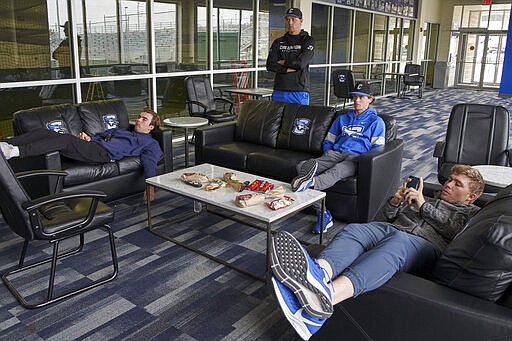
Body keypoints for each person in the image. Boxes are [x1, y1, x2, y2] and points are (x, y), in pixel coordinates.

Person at [270, 164, 485, 340]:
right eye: (450, 179)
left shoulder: (471, 214)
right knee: (357, 229)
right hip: (391, 230)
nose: (448, 184)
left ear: (471, 197)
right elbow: (380, 220)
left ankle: (328, 296)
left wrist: (422, 206)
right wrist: (395, 201)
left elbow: (452, 230)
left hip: (424, 245)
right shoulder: (428, 198)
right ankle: (319, 274)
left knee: (398, 241)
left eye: (458, 184)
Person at [0, 108, 161, 202]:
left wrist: (150, 186)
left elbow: (149, 162)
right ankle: (7, 143)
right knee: (43, 132)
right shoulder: (121, 131)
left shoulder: (150, 143)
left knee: (66, 140)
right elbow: (103, 134)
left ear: (151, 127)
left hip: (102, 154)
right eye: (139, 117)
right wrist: (90, 138)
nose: (139, 120)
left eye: (144, 119)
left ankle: (14, 152)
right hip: (92, 146)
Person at [291, 81, 386, 233]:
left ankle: (309, 184)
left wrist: (364, 162)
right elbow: (329, 140)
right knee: (302, 166)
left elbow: (378, 150)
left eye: (361, 98)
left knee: (336, 171)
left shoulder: (377, 122)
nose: (357, 101)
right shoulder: (342, 118)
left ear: (370, 99)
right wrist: (328, 153)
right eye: (355, 97)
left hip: (355, 158)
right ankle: (323, 211)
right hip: (335, 153)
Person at [266, 7, 315, 105]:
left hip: (299, 90)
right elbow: (270, 65)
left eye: (293, 19)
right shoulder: (278, 42)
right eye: (288, 20)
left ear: (301, 21)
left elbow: (301, 63)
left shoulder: (308, 40)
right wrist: (286, 69)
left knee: (298, 120)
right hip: (280, 89)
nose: (290, 23)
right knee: (277, 120)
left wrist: (283, 62)